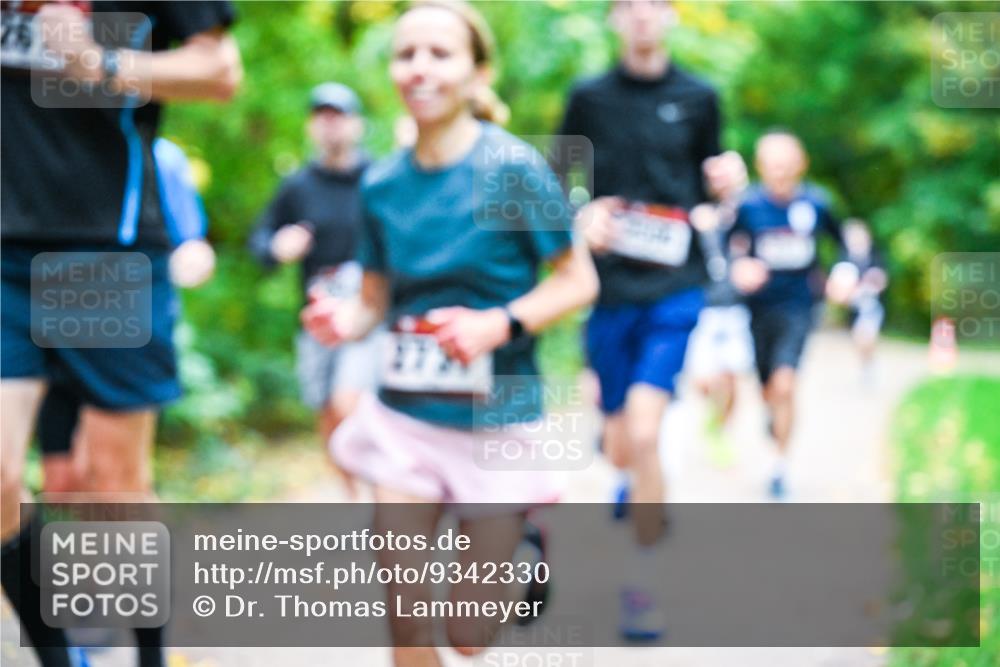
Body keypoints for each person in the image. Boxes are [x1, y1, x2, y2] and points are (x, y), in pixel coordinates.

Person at [302, 2, 598, 665]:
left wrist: (499, 322)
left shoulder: (513, 168)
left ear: (476, 71)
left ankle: (523, 545)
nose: (420, 68)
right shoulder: (381, 183)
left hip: (497, 420)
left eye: (440, 53)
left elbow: (577, 281)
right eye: (407, 54)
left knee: (466, 634)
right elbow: (374, 301)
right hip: (405, 416)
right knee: (406, 622)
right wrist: (342, 320)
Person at [0, 3, 241, 666]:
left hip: (107, 248)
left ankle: (151, 656)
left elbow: (220, 70)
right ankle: (58, 657)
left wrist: (101, 63)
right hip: (2, 255)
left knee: (112, 487)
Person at [551, 0, 746, 640]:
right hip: (606, 290)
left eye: (654, 3)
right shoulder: (587, 97)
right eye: (628, 5)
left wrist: (731, 185)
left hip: (674, 286)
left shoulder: (700, 95)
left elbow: (716, 187)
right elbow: (558, 186)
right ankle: (634, 486)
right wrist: (584, 217)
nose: (641, 14)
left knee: (643, 427)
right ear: (613, 18)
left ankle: (642, 584)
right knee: (617, 442)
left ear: (671, 15)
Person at [39, 137, 216, 498]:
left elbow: (192, 241)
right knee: (62, 483)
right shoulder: (34, 145)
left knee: (112, 475)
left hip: (120, 321)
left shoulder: (158, 155)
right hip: (45, 323)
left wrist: (186, 262)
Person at [248, 82, 375, 495]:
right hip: (318, 314)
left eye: (339, 117)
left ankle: (382, 491)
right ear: (311, 127)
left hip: (369, 311)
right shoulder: (297, 186)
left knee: (349, 401)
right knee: (327, 410)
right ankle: (351, 496)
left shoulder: (380, 180)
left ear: (357, 124)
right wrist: (277, 246)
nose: (330, 126)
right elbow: (259, 241)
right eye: (322, 117)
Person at [728, 130, 849, 500]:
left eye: (787, 164)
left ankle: (779, 466)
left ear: (801, 164)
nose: (779, 172)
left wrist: (843, 273)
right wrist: (740, 266)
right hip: (757, 309)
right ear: (761, 167)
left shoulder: (818, 203)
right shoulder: (747, 206)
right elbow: (725, 246)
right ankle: (773, 414)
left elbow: (844, 245)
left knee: (786, 382)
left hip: (798, 306)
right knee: (767, 387)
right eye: (772, 165)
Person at [683, 203, 754, 466]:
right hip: (704, 312)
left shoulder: (740, 221)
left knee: (732, 378)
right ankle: (714, 417)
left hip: (735, 311)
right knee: (703, 380)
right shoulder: (694, 222)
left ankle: (722, 430)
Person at [830, 218, 888, 385]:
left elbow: (882, 279)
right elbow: (836, 289)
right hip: (853, 309)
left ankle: (869, 367)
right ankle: (867, 365)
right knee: (859, 340)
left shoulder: (875, 256)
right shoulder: (843, 259)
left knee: (866, 337)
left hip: (871, 307)